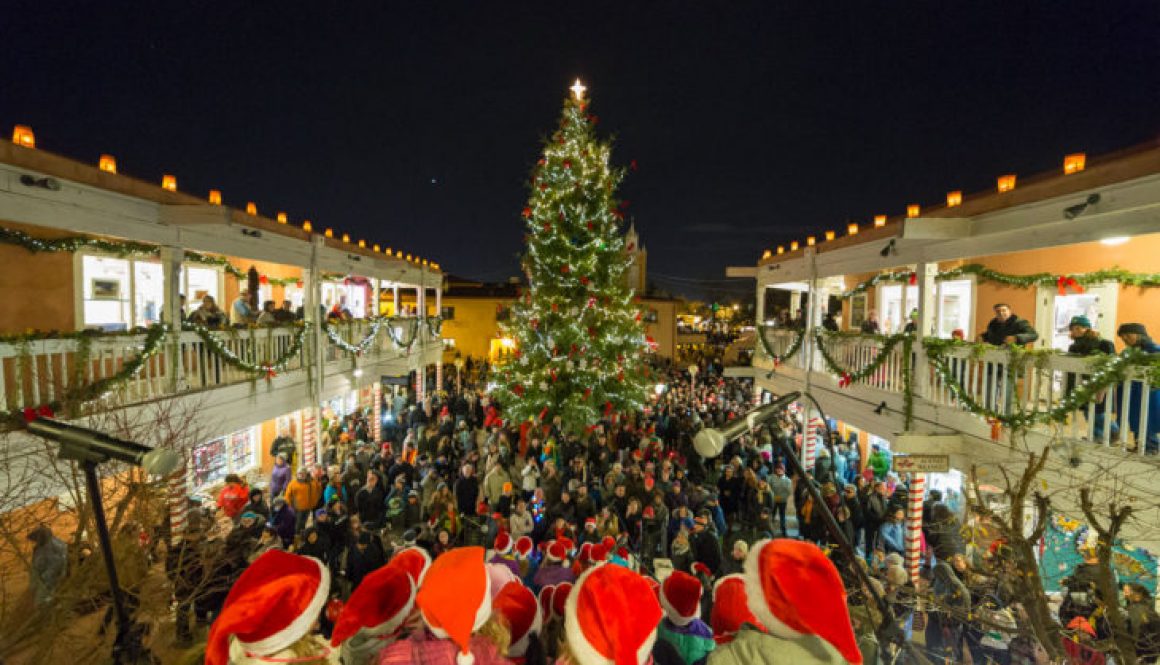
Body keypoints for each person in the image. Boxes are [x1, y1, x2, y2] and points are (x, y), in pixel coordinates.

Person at [980, 303, 1039, 412]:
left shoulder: (1020, 323)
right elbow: (989, 335)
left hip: (1011, 363)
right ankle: (990, 413)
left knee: (1008, 393)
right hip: (993, 362)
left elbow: (1034, 335)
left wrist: (1016, 338)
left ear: (1009, 311)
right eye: (998, 311)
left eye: (1004, 310)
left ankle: (1007, 416)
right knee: (990, 391)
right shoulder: (993, 324)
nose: (1001, 313)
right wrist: (982, 336)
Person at [1117, 323, 1160, 453]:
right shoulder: (1128, 352)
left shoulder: (1154, 350)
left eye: (1128, 335)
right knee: (1135, 418)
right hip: (1132, 391)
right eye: (1122, 336)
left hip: (1147, 392)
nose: (1125, 339)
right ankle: (1140, 444)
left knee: (1147, 418)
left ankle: (1151, 447)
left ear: (1139, 335)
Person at [28, 525, 67, 607]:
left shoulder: (52, 546)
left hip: (50, 581)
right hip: (46, 580)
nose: (35, 541)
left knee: (42, 602)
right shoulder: (41, 547)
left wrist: (44, 578)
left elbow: (56, 565)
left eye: (36, 538)